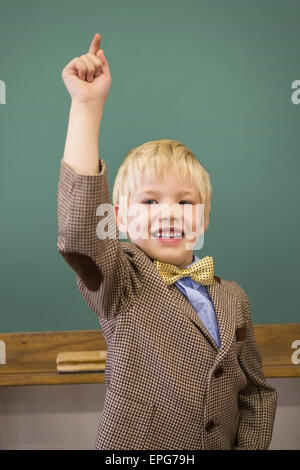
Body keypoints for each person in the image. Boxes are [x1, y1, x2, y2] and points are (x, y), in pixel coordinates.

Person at [57, 32, 278, 450]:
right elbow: (82, 231)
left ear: (204, 216)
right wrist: (87, 107)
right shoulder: (122, 282)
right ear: (117, 219)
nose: (170, 212)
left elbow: (255, 393)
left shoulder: (234, 297)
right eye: (150, 200)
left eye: (185, 201)